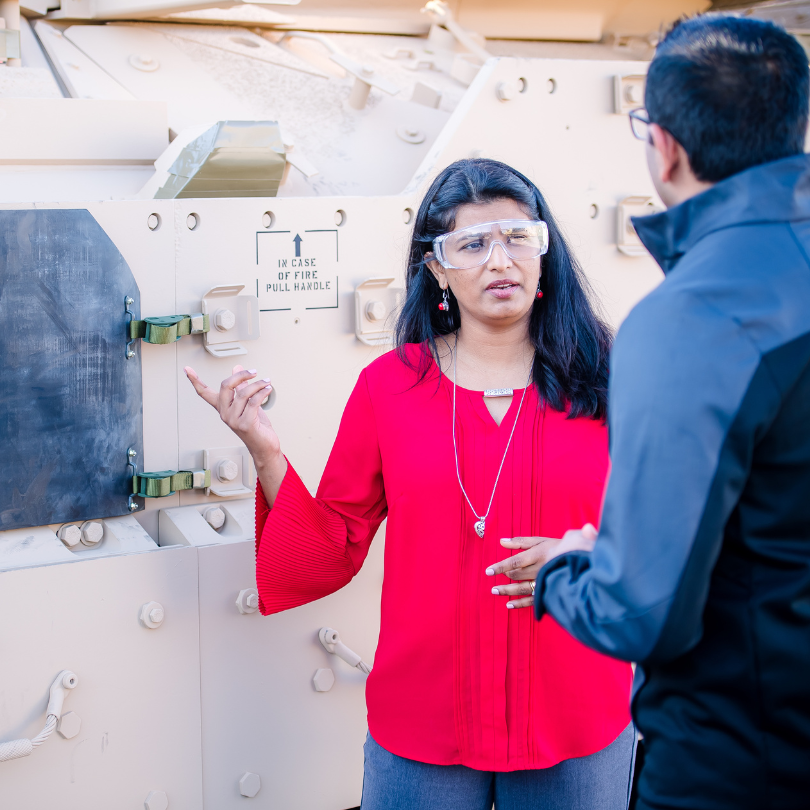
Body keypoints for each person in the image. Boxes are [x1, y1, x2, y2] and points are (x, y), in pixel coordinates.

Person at [185, 159, 636, 809]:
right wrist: (265, 452)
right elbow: (332, 545)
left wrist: (600, 549)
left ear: (545, 249)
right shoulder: (389, 388)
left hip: (576, 708)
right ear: (437, 269)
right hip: (425, 718)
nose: (499, 259)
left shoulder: (613, 372)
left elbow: (682, 520)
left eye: (516, 236)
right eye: (472, 244)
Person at [510, 14, 810, 810]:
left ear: (665, 146)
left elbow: (644, 616)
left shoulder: (693, 319)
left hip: (743, 759)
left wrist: (570, 567)